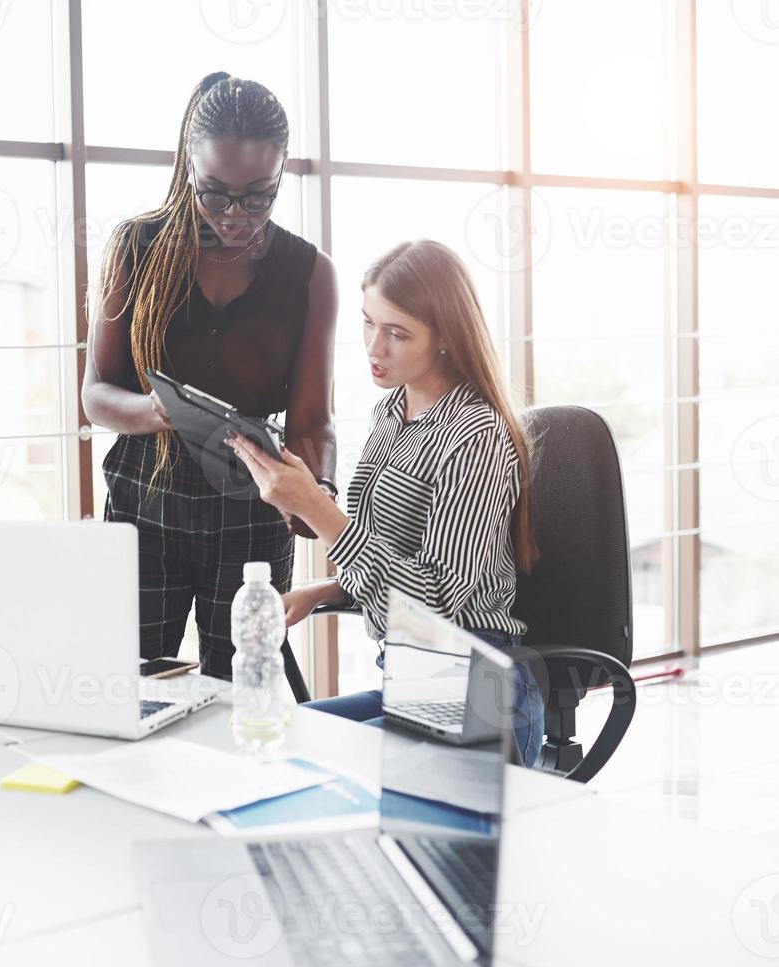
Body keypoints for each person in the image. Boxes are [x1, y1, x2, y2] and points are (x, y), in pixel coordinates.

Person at [228, 239, 546, 767]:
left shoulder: (477, 435)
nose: (375, 348)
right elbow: (394, 559)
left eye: (397, 334)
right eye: (368, 324)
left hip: (477, 692)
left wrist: (319, 511)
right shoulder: (390, 413)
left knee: (309, 766)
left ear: (445, 337)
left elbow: (436, 602)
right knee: (269, 743)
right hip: (411, 682)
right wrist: (323, 590)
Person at [81, 72, 337, 682]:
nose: (235, 215)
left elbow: (313, 420)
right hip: (146, 502)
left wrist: (312, 492)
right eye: (214, 194)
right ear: (186, 170)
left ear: (281, 176)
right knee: (135, 688)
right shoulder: (136, 247)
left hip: (251, 508)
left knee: (244, 692)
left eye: (259, 196)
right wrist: (159, 412)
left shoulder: (308, 273)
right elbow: (95, 395)